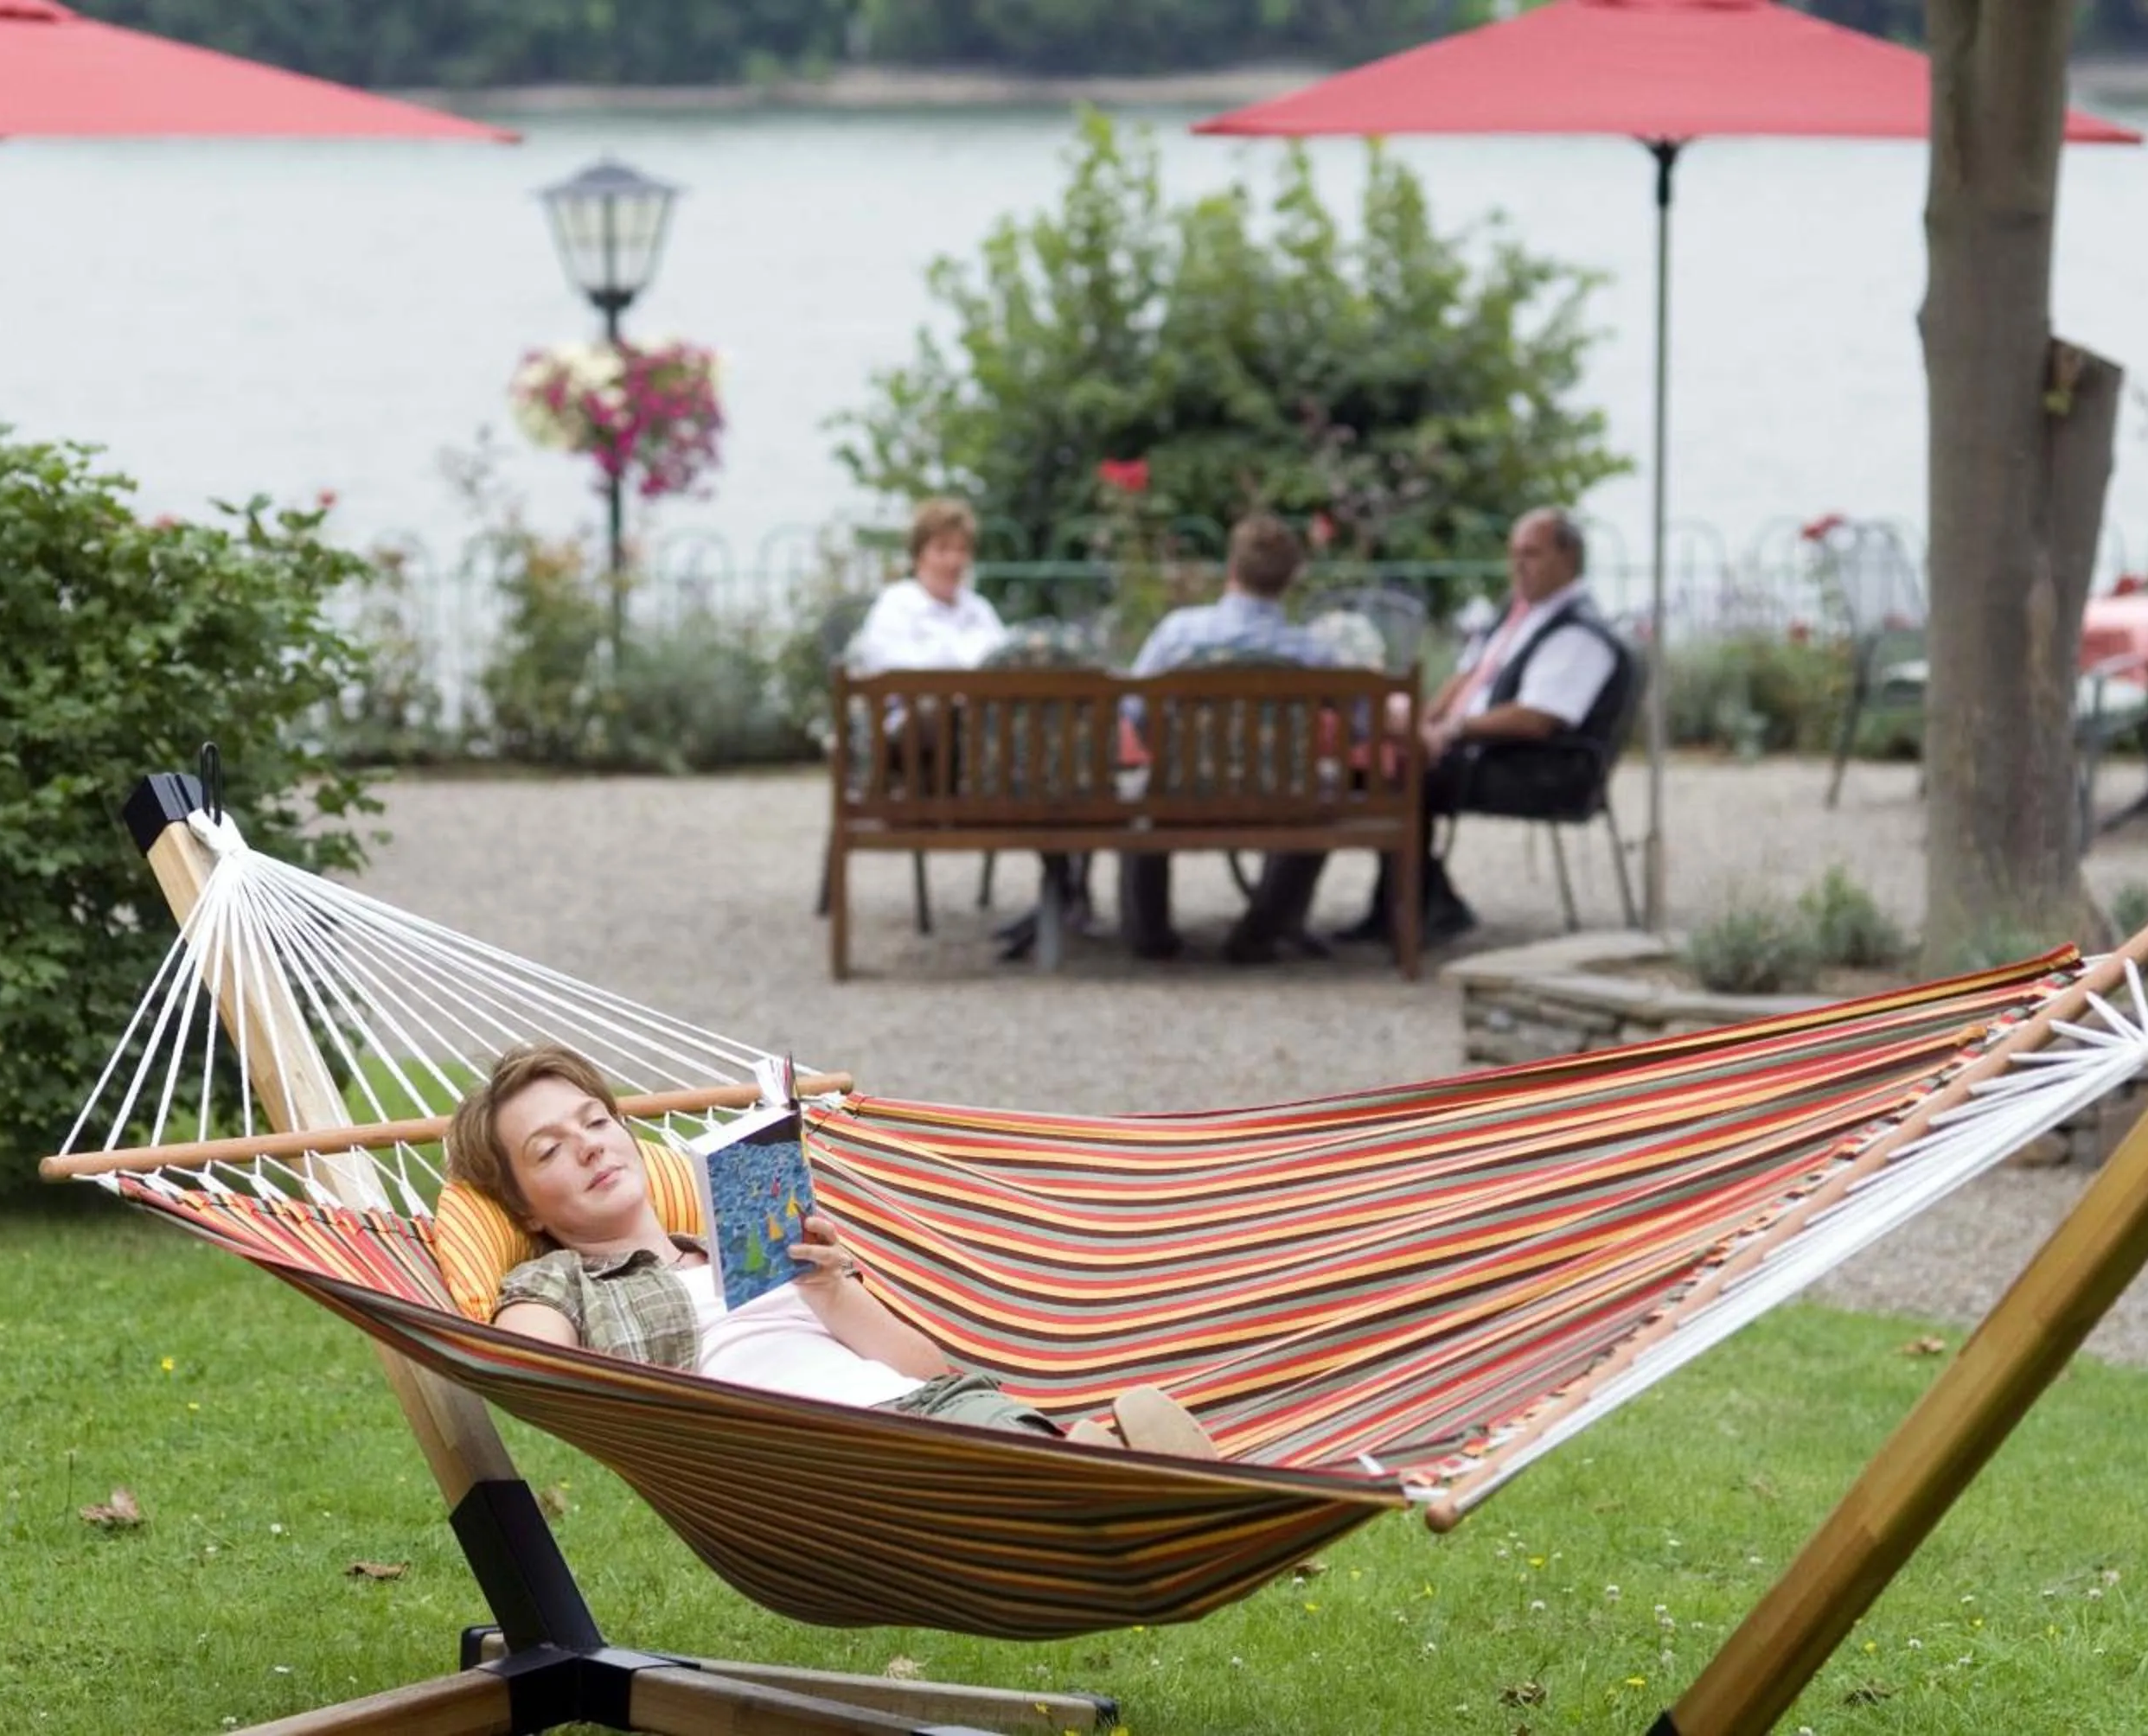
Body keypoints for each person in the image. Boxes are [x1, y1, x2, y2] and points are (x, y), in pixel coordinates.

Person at [445, 1041, 1217, 1458]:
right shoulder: (559, 1281)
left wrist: (829, 1289)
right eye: (549, 1150)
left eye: (595, 1122)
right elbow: (535, 1373)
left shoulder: (745, 1240)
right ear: (524, 1206)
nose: (588, 1146)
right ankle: (1126, 1482)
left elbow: (929, 1373)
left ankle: (1118, 1480)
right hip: (814, 1459)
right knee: (1001, 1473)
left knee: (991, 1426)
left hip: (923, 1411)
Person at [1334, 507, 1631, 948]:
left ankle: (1419, 907)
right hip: (1483, 752)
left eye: (1531, 554)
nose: (1517, 565)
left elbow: (1536, 719)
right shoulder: (1518, 613)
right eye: (1514, 554)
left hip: (1542, 769)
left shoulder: (1580, 633)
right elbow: (1467, 675)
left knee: (1400, 774)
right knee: (1390, 761)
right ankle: (1414, 904)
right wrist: (1423, 725)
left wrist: (1449, 731)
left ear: (1568, 557)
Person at [1117, 513, 1341, 967]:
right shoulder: (1312, 650)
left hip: (1180, 792)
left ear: (1232, 569)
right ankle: (1260, 932)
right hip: (1283, 795)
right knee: (1321, 800)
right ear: (1290, 579)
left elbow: (1134, 711)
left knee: (1141, 801)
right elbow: (1357, 726)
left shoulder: (1180, 634)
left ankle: (1150, 934)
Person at [845, 497, 1006, 675]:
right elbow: (892, 667)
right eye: (942, 549)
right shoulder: (896, 605)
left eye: (962, 549)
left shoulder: (979, 608)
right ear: (918, 556)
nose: (954, 560)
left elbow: (1005, 661)